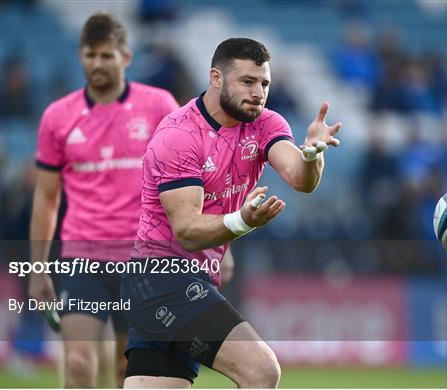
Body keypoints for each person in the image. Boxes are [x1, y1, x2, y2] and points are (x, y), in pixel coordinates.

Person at [121, 37, 342, 388]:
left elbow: (300, 178)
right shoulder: (179, 135)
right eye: (248, 82)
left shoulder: (265, 124)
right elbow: (187, 230)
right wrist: (242, 222)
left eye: (264, 83)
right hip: (162, 277)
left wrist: (313, 155)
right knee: (260, 370)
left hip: (190, 279)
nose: (259, 93)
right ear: (216, 78)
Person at [28, 13, 179, 388]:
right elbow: (46, 197)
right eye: (91, 55)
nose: (98, 63)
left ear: (126, 57)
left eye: (106, 55)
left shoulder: (159, 106)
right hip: (82, 258)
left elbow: (186, 178)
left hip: (145, 260)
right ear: (80, 56)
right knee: (78, 365)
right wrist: (37, 267)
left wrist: (217, 248)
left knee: (130, 371)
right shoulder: (58, 117)